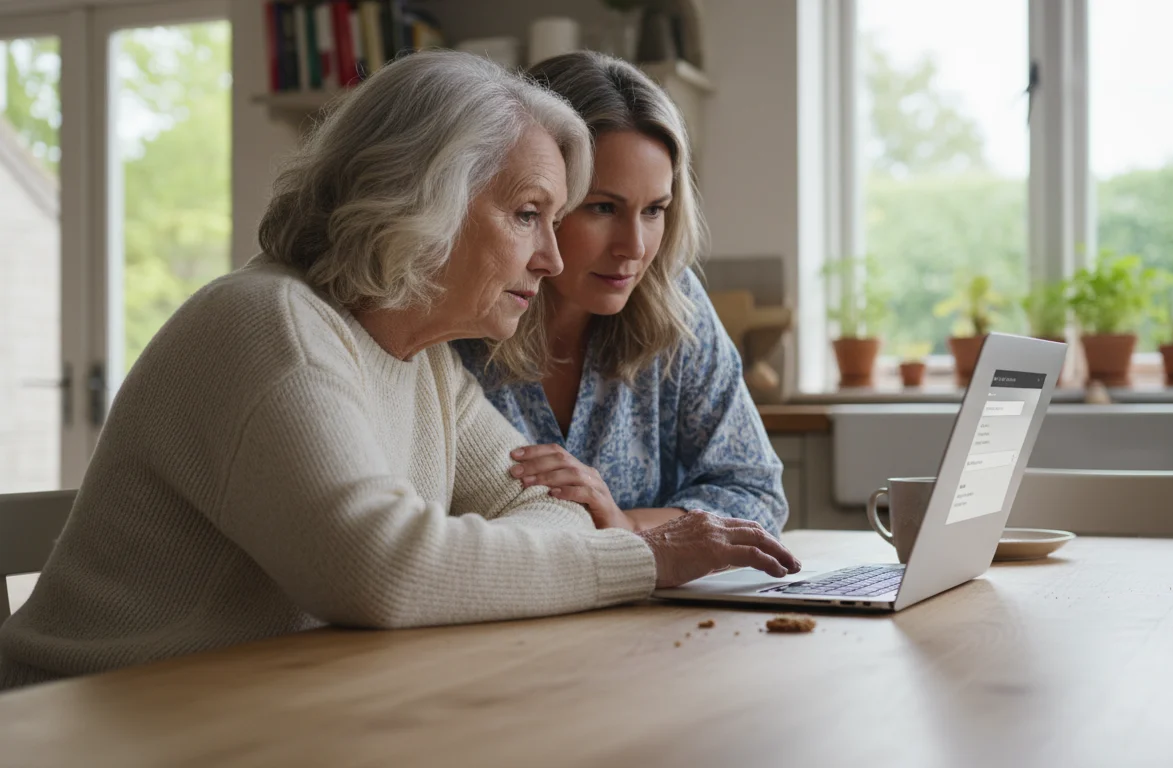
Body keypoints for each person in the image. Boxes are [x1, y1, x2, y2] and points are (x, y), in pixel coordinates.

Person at [0, 51, 799, 690]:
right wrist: (640, 555)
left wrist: (587, 534)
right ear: (421, 198)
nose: (551, 256)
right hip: (80, 721)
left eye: (555, 220)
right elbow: (385, 570)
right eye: (528, 215)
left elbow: (551, 508)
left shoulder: (421, 362)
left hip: (250, 706)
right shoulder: (269, 325)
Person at [455, 52, 788, 538]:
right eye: (603, 207)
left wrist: (628, 525)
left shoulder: (677, 306)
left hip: (645, 615)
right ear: (534, 199)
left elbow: (756, 494)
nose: (634, 247)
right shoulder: (453, 323)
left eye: (655, 210)